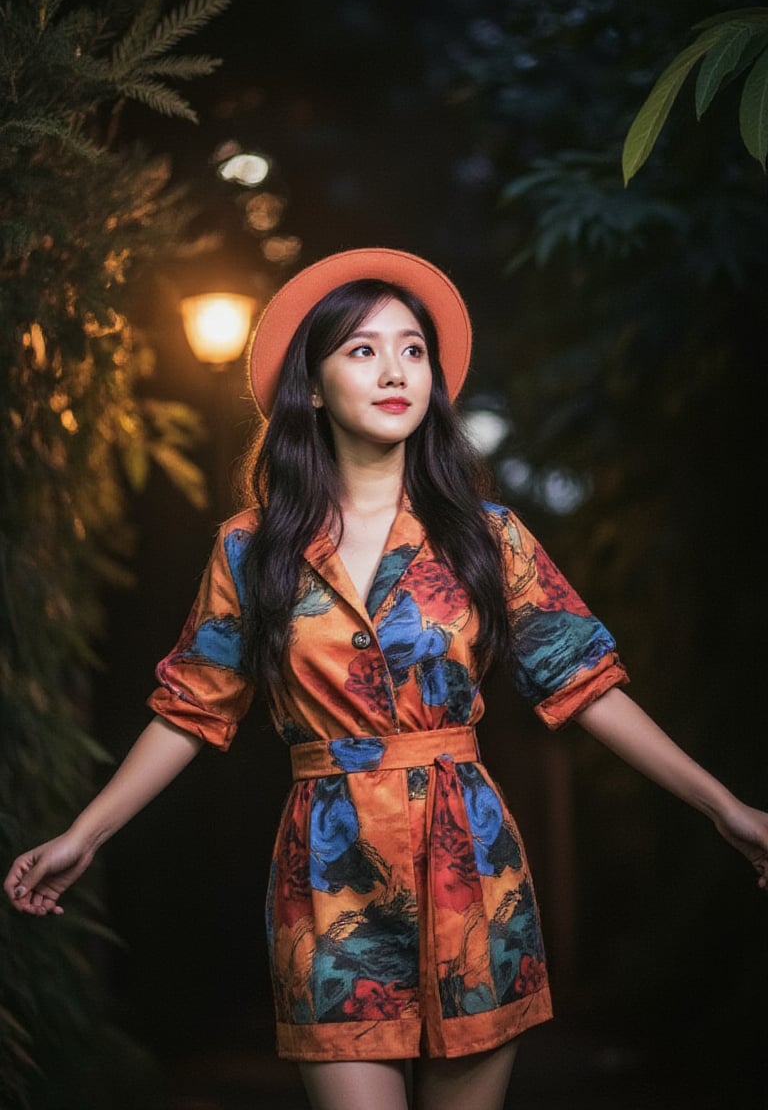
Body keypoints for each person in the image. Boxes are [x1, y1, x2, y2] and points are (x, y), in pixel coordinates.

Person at [5, 248, 768, 1110]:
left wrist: (726, 809)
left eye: (412, 349)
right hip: (329, 880)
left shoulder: (488, 537)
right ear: (312, 384)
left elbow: (588, 684)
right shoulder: (251, 550)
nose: (395, 370)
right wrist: (86, 834)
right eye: (362, 351)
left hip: (472, 872)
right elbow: (191, 708)